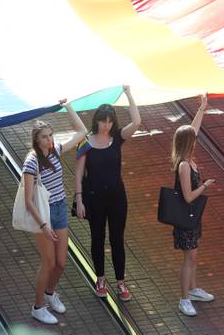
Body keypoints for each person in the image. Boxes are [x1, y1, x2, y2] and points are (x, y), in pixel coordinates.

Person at [74, 86, 141, 302]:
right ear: (97, 121)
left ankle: (121, 281)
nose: (107, 125)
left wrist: (129, 94)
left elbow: (137, 122)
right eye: (104, 121)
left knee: (117, 239)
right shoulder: (86, 142)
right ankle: (100, 278)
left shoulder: (117, 138)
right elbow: (78, 174)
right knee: (97, 238)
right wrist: (79, 199)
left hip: (117, 198)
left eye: (110, 121)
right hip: (94, 198)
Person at [22, 102, 87, 325]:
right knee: (48, 263)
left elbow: (82, 132)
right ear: (36, 140)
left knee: (61, 262)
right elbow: (28, 200)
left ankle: (50, 293)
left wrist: (68, 107)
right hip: (43, 213)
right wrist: (43, 225)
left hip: (59, 208)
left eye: (51, 135)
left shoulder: (55, 151)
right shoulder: (31, 162)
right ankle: (38, 307)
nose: (49, 140)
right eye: (44, 137)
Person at [167, 95, 216, 316]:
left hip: (192, 218)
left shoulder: (187, 159)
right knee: (189, 258)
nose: (196, 140)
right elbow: (188, 197)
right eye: (193, 140)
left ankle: (193, 289)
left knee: (193, 256)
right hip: (186, 217)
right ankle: (184, 298)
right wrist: (205, 185)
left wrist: (202, 110)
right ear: (189, 144)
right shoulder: (185, 166)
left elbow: (193, 129)